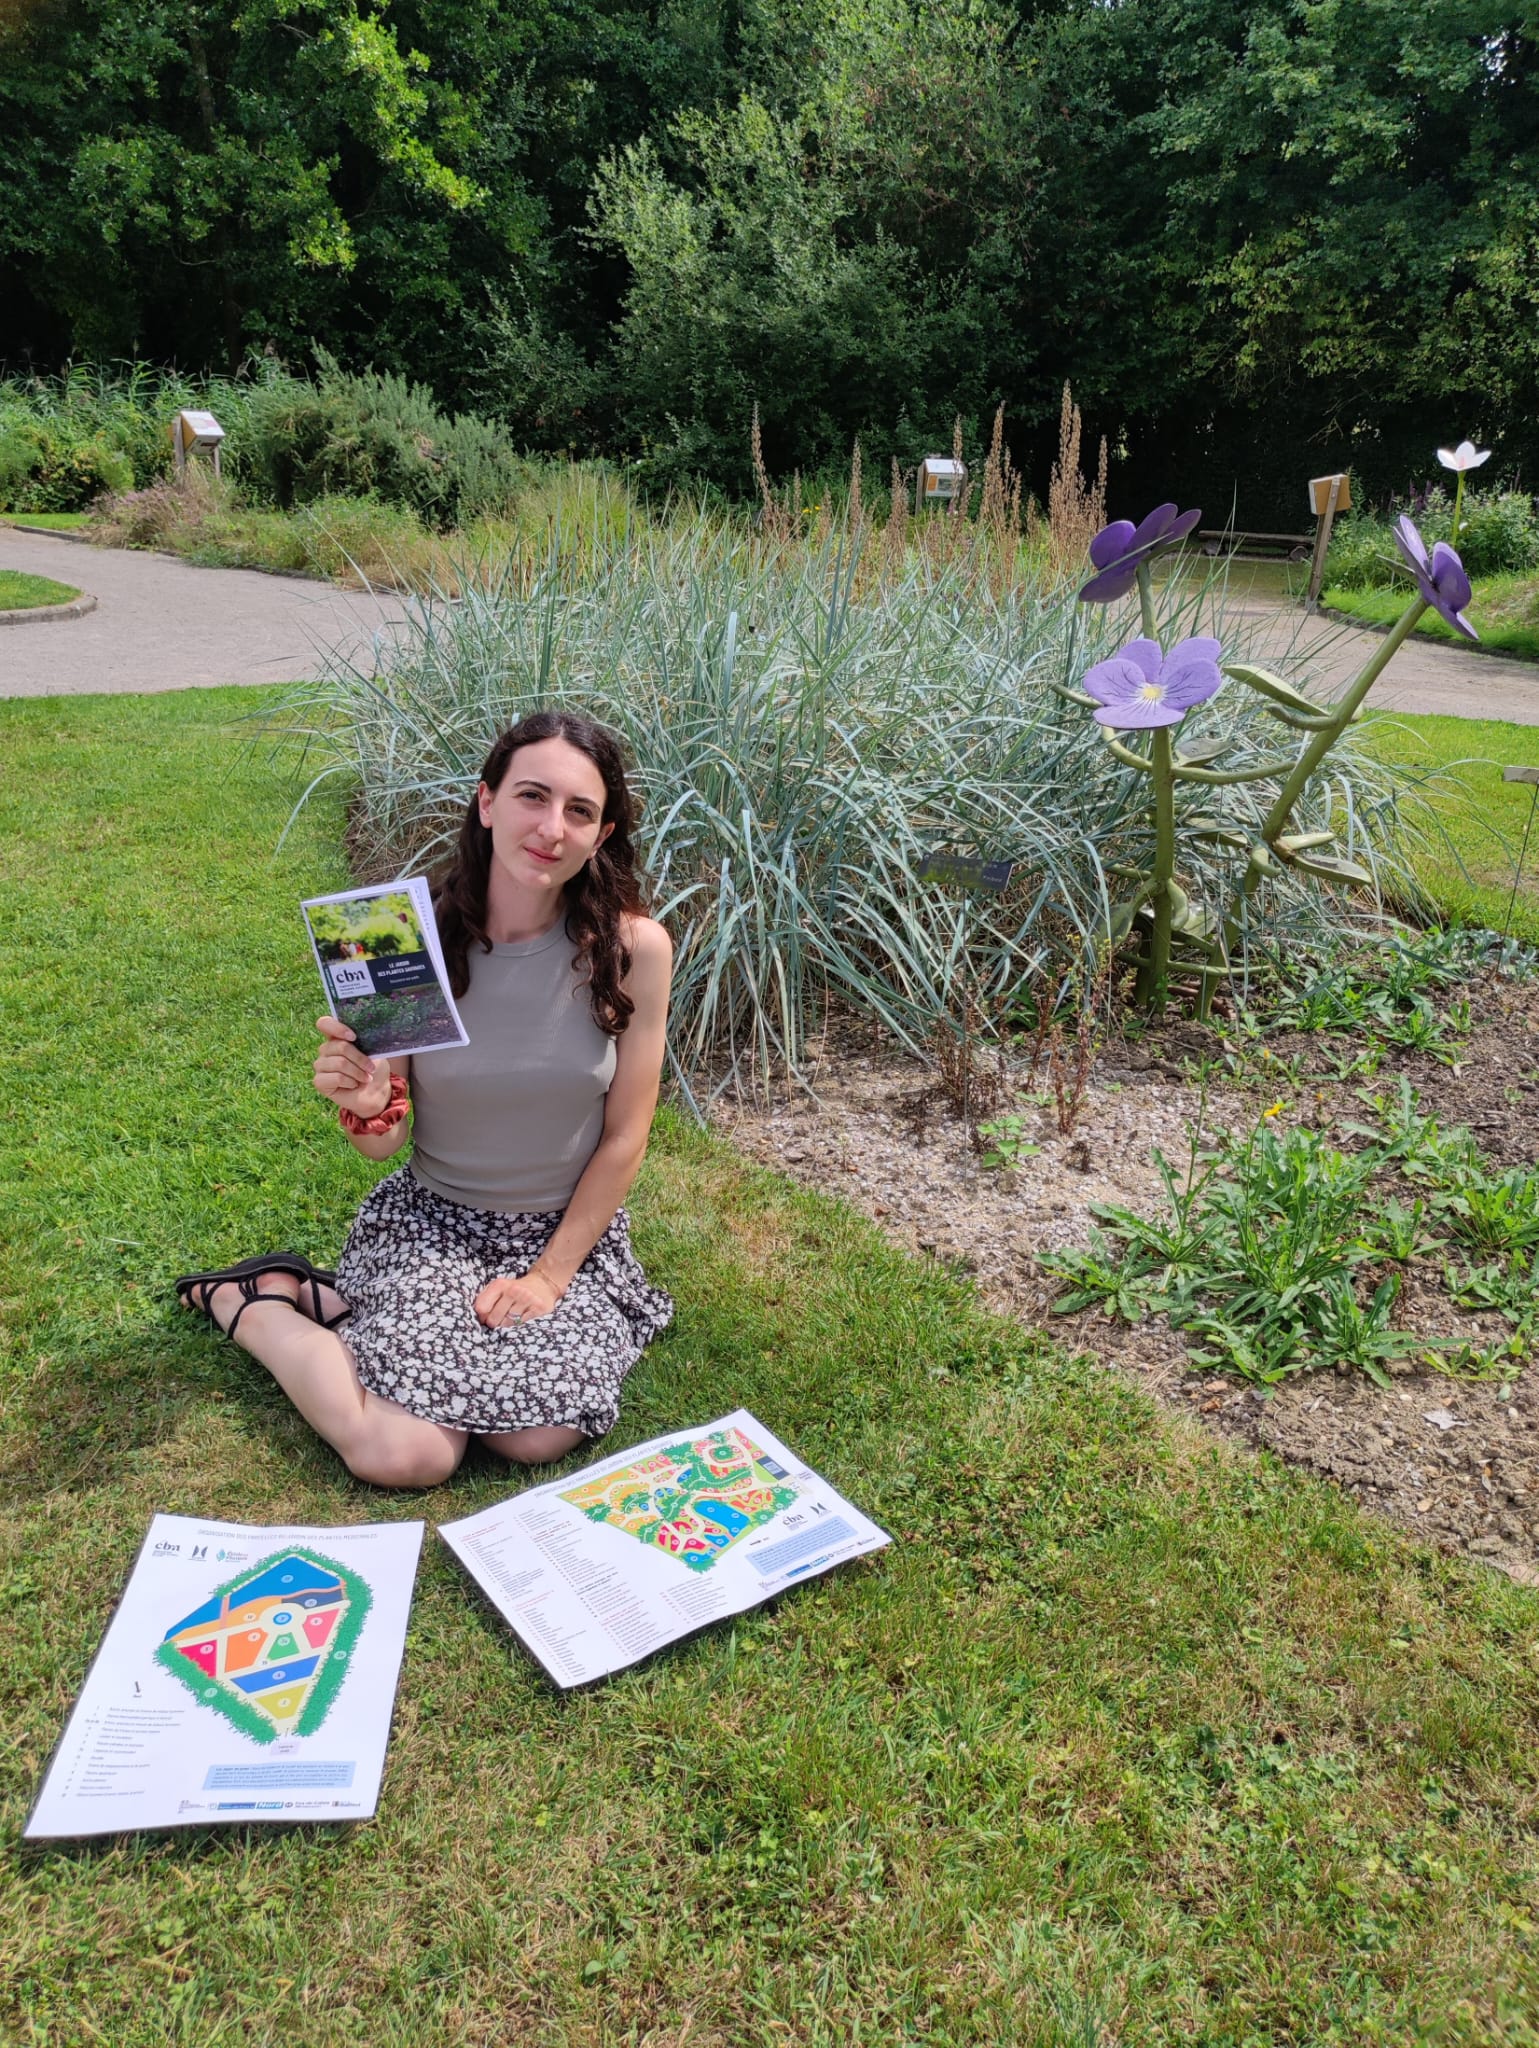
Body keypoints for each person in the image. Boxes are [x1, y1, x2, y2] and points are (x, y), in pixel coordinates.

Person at [176, 710, 675, 1487]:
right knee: (406, 1454)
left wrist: (547, 1279)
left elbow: (624, 1138)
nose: (550, 828)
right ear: (486, 802)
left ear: (602, 833)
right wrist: (371, 1100)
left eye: (578, 811)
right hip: (434, 1225)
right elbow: (382, 1140)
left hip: (565, 1231)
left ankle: (336, 1305)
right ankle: (257, 1303)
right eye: (531, 797)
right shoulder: (400, 939)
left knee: (537, 1436)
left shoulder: (632, 948)